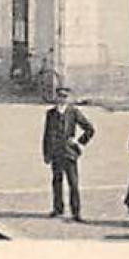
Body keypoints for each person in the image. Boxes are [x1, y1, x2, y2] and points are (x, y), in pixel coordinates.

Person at [41, 87, 94, 221]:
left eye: (65, 96)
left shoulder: (74, 112)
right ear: (56, 97)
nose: (62, 99)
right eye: (59, 96)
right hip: (55, 152)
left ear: (68, 98)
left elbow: (89, 129)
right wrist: (46, 153)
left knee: (73, 183)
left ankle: (76, 212)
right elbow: (46, 134)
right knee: (57, 181)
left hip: (69, 153)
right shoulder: (50, 113)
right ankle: (58, 209)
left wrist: (78, 141)